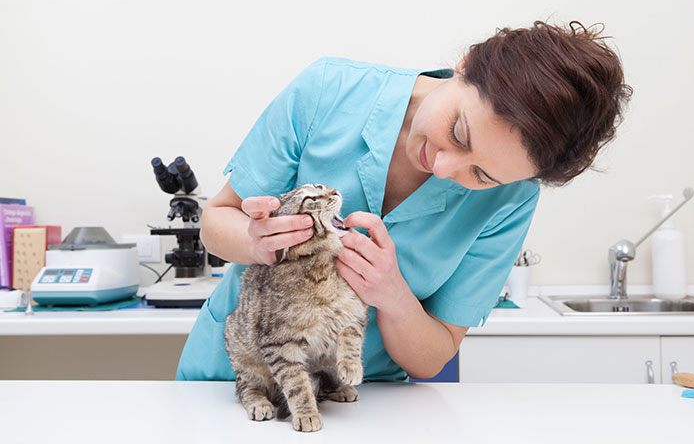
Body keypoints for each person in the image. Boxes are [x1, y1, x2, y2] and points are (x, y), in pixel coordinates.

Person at [176, 20, 632, 382]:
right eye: (457, 132)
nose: (443, 168)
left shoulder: (511, 198)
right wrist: (257, 242)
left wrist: (392, 294)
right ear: (466, 64)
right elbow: (217, 221)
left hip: (364, 402)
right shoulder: (327, 91)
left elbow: (432, 359)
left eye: (481, 174)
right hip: (235, 375)